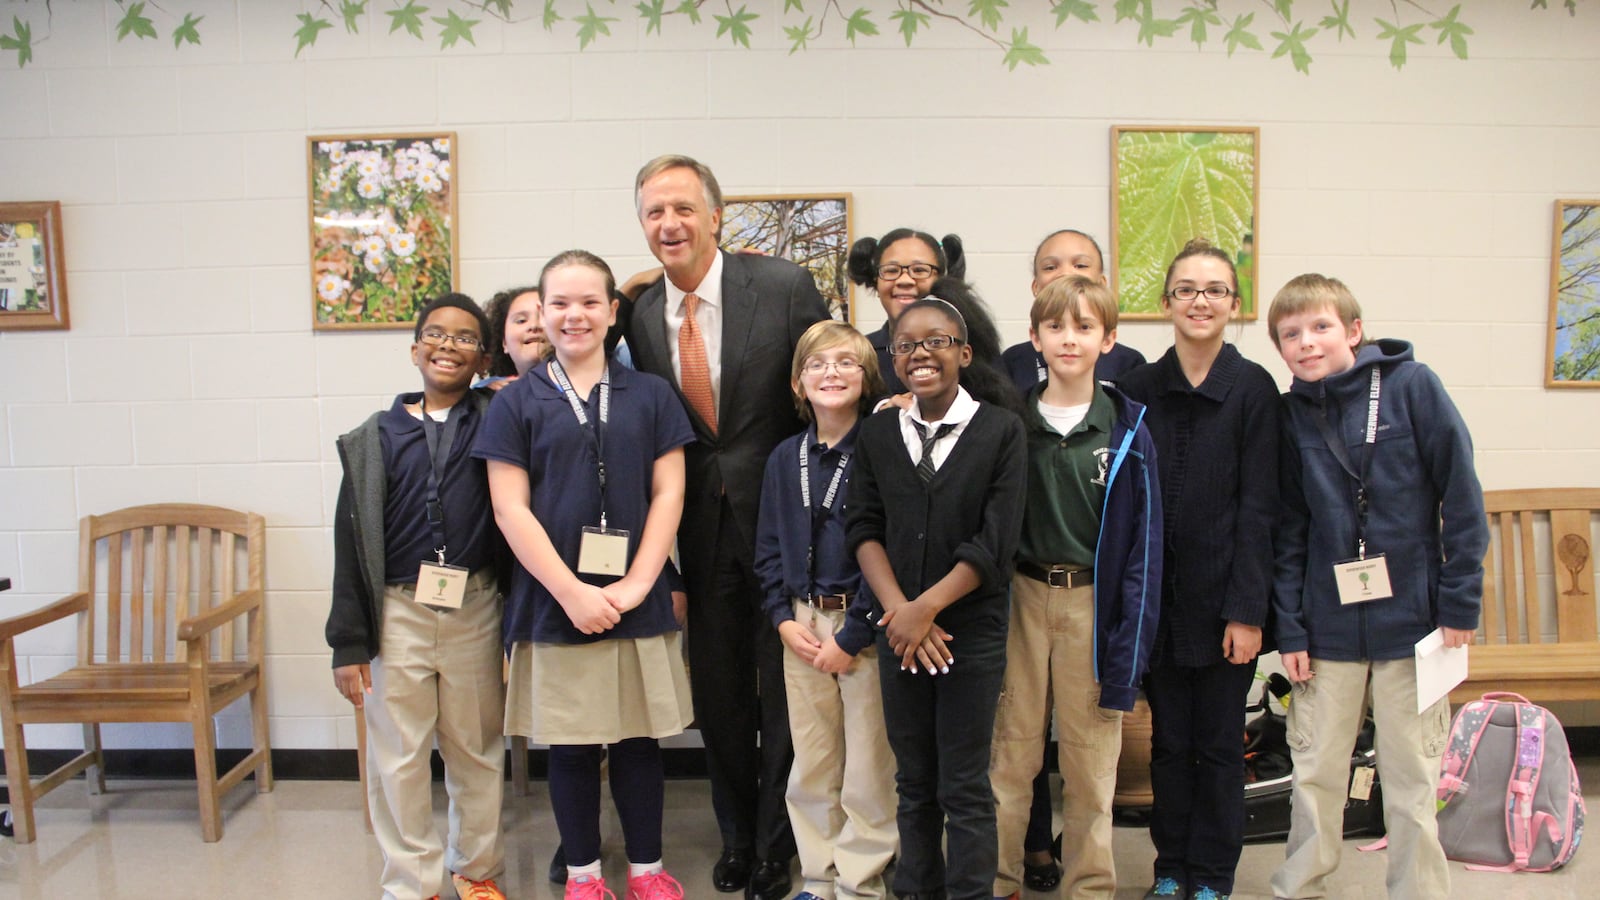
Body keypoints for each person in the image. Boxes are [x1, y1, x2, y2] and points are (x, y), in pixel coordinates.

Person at [624, 154, 831, 900]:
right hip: (697, 535)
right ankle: (736, 835)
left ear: (715, 215)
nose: (669, 224)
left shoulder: (780, 287)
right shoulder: (641, 316)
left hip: (785, 527)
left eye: (683, 208)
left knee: (783, 692)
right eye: (654, 212)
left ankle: (779, 844)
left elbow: (827, 387)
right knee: (718, 698)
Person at [474, 250, 696, 900]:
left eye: (589, 302)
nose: (576, 315)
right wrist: (571, 592)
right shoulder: (516, 403)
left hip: (638, 597)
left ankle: (648, 872)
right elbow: (508, 507)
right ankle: (583, 876)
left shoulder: (651, 394)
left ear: (611, 311)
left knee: (637, 741)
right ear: (542, 314)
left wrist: (633, 586)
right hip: (553, 604)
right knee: (570, 747)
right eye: (561, 304)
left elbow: (669, 495)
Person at [1267, 274, 1488, 900]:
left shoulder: (1413, 388)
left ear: (1353, 331)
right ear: (1281, 348)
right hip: (1327, 629)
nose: (1307, 343)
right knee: (1314, 777)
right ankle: (1300, 887)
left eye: (1320, 327)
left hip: (1414, 624)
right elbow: (1288, 530)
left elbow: (1463, 498)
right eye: (1290, 334)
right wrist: (1291, 625)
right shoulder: (1290, 416)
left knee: (1414, 778)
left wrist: (1460, 601)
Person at [325, 293, 508, 900]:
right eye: (436, 334)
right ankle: (412, 882)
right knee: (400, 758)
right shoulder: (373, 439)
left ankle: (475, 872)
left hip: (476, 605)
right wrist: (348, 641)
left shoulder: (496, 418)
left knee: (476, 750)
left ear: (483, 356)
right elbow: (350, 541)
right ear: (414, 349)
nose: (447, 346)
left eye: (464, 338)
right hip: (396, 611)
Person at [846, 296, 1027, 900]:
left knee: (966, 783)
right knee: (915, 780)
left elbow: (995, 542)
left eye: (937, 341)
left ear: (964, 352)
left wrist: (926, 610)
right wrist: (901, 612)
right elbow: (863, 528)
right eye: (906, 345)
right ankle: (916, 890)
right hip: (896, 628)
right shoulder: (875, 433)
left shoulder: (1002, 430)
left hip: (967, 633)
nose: (921, 354)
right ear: (893, 359)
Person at [989, 274, 1163, 900]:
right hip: (1021, 603)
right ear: (1034, 338)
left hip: (1093, 605)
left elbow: (1145, 548)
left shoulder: (1126, 431)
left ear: (1108, 339)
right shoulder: (1008, 422)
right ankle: (1002, 880)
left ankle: (1089, 886)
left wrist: (1130, 647)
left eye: (1085, 327)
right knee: (1012, 759)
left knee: (1092, 767)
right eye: (1056, 327)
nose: (1070, 338)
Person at [1117, 239, 1280, 900]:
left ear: (1234, 304)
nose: (1200, 300)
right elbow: (1122, 508)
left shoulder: (1253, 390)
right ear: (1166, 303)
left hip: (1224, 610)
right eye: (1186, 288)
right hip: (1157, 605)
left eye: (1214, 289)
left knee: (1216, 750)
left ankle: (1212, 876)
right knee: (1166, 747)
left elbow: (1262, 508)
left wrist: (1247, 612)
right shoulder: (1135, 390)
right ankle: (1170, 869)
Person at [754, 320, 897, 900]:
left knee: (866, 765)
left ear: (866, 380)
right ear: (797, 382)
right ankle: (818, 875)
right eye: (817, 364)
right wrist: (782, 618)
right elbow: (766, 546)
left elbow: (890, 547)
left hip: (862, 626)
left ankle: (861, 881)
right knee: (811, 763)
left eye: (845, 363)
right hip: (801, 624)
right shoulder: (784, 458)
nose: (830, 373)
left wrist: (856, 630)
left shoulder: (884, 451)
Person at [1001, 229, 1146, 395]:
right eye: (1050, 267)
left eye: (1080, 265)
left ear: (1101, 284)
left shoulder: (1128, 362)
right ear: (1035, 287)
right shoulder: (1012, 361)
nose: (1065, 273)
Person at [846, 228, 965, 394]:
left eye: (919, 270)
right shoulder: (860, 354)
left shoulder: (969, 347)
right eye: (891, 270)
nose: (904, 280)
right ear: (876, 280)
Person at [478, 285, 545, 388]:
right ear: (505, 343)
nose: (534, 325)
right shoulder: (484, 397)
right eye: (521, 320)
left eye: (544, 318)